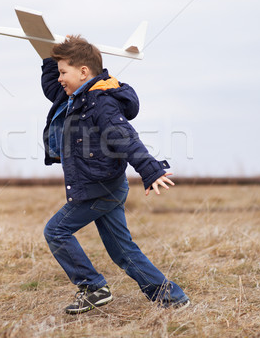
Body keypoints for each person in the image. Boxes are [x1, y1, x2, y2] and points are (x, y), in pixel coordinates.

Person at [41, 35, 190, 314]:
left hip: (100, 188)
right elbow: (52, 87)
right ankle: (171, 298)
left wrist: (150, 169)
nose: (60, 79)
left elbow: (125, 138)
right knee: (123, 251)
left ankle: (93, 287)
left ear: (84, 72)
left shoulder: (101, 101)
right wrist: (48, 59)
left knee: (56, 231)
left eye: (64, 72)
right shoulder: (77, 97)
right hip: (107, 186)